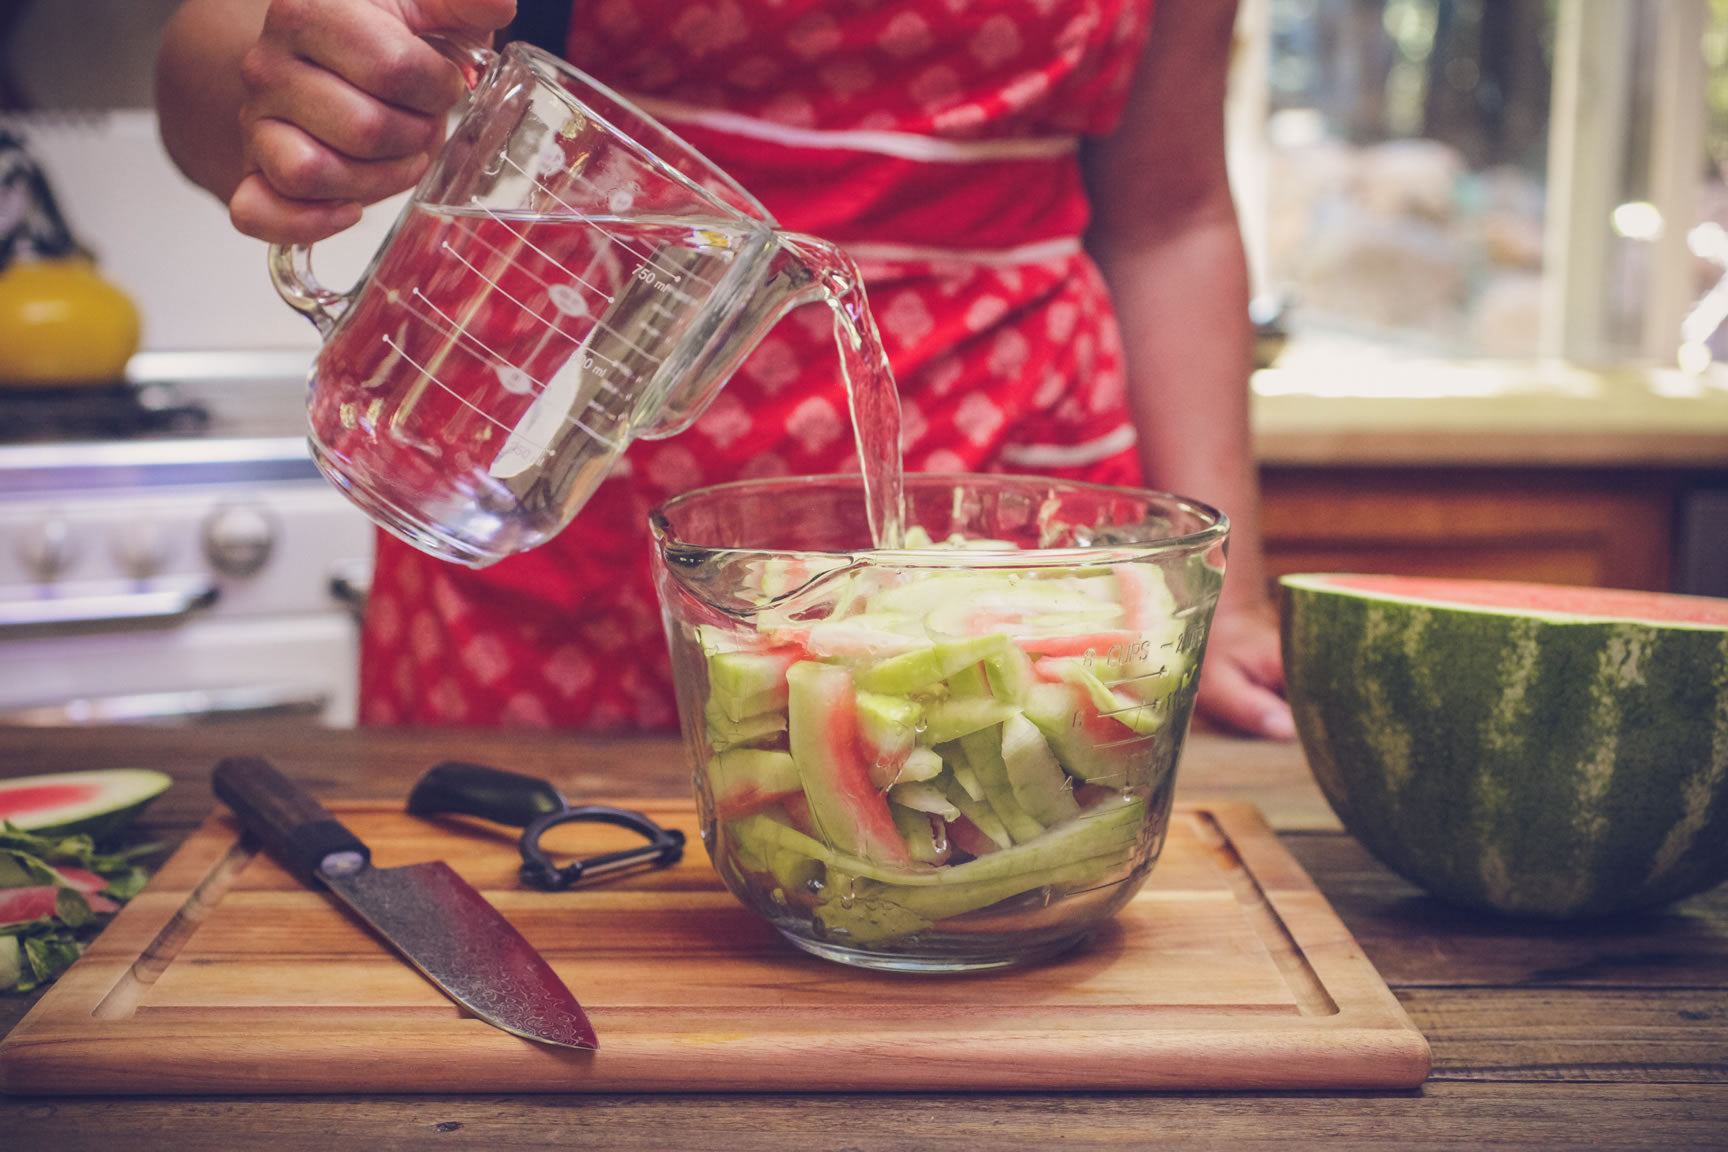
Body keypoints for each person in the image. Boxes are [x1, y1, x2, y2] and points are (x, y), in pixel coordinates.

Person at [156, 0, 1294, 740]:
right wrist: (300, 85)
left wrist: (1229, 600)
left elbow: (1171, 214)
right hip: (570, 473)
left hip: (1009, 483)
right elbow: (223, 63)